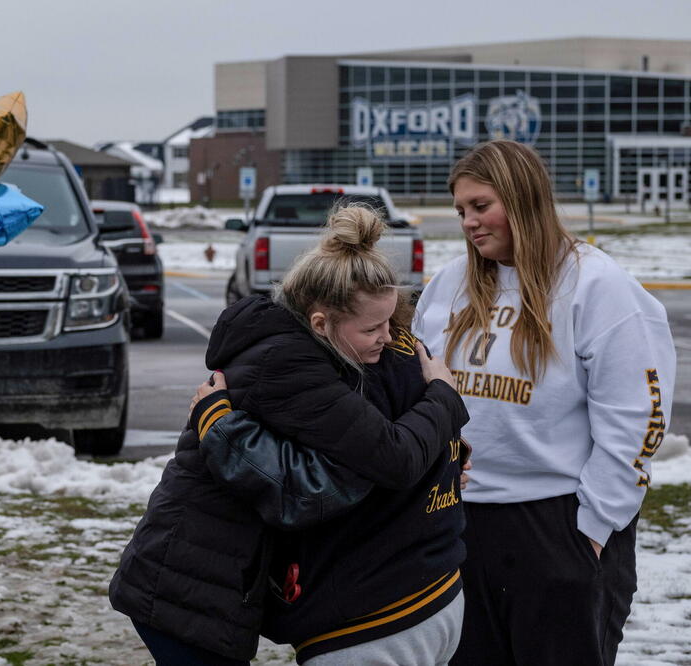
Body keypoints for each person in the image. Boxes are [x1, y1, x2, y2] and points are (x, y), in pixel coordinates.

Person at [109, 205, 470, 665]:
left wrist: (444, 455)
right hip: (188, 582)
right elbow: (378, 462)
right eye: (372, 328)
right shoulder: (289, 366)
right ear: (320, 323)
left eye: (389, 323)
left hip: (214, 576)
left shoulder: (321, 353)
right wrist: (443, 398)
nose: (388, 336)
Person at [413, 139, 677, 666]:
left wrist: (592, 532)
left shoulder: (597, 286)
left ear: (523, 198)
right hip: (459, 521)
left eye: (481, 205)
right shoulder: (448, 285)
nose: (469, 222)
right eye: (461, 210)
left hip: (558, 522)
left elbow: (636, 420)